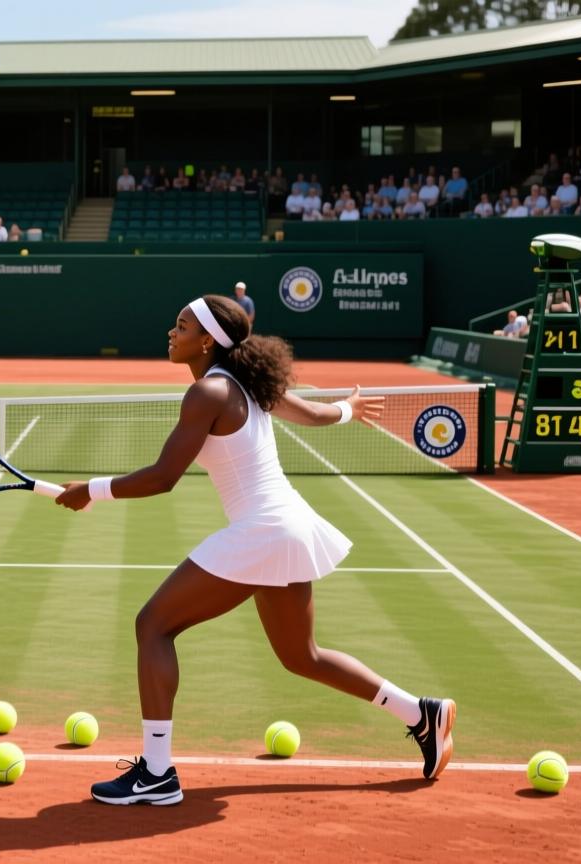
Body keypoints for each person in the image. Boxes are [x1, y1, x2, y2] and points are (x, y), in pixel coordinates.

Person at [55, 294, 456, 805]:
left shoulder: (207, 393)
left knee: (153, 625)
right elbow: (311, 413)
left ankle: (156, 773)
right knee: (301, 656)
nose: (170, 332)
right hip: (287, 525)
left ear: (207, 341)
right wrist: (346, 410)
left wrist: (93, 488)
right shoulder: (248, 382)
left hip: (263, 530)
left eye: (181, 326)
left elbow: (162, 478)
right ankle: (421, 714)